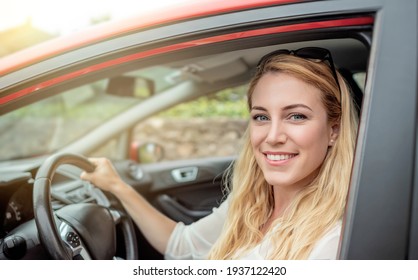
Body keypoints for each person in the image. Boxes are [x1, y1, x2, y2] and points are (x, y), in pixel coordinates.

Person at [80, 47, 359, 260]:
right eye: (261, 117)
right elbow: (182, 246)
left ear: (333, 131)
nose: (273, 137)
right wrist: (117, 186)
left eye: (296, 116)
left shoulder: (334, 240)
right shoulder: (250, 204)